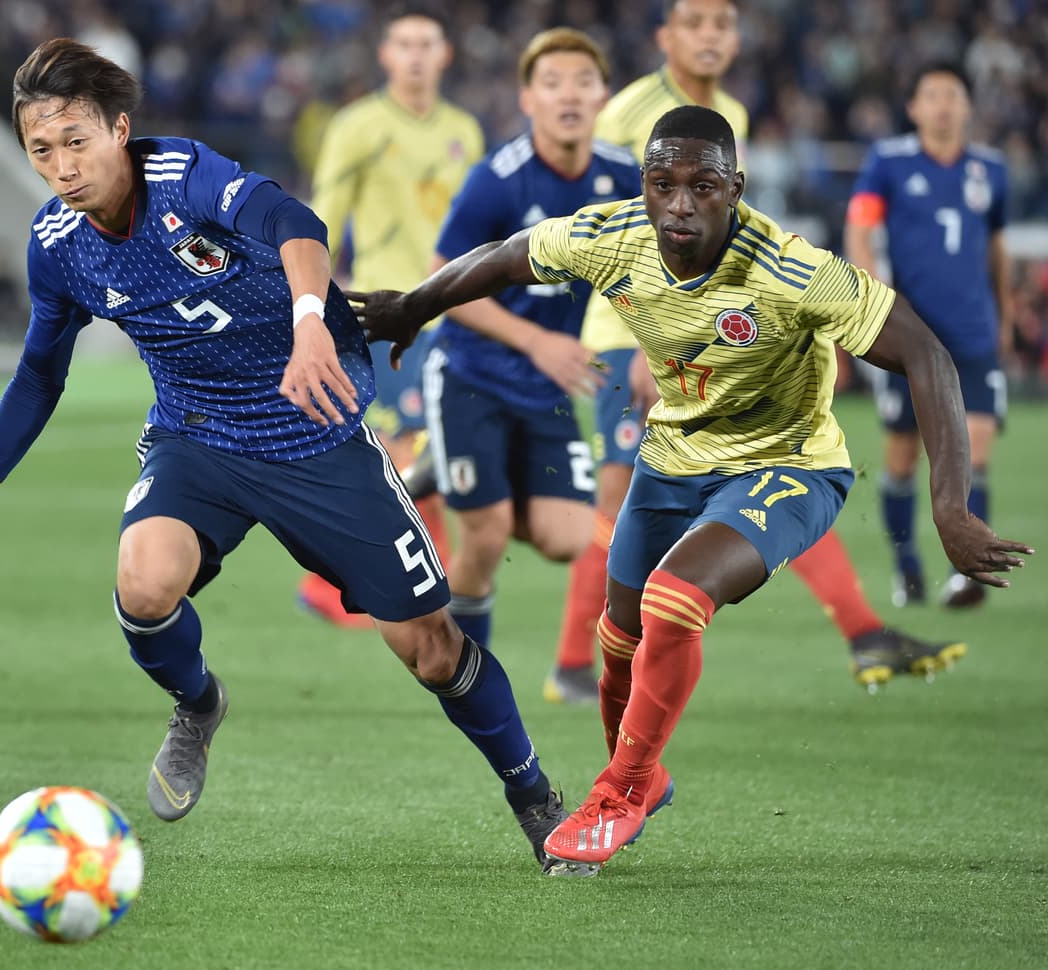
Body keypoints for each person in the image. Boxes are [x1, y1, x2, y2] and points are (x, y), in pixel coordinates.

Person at [0, 38, 576, 871]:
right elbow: (38, 378)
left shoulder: (183, 174)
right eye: (42, 149)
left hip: (314, 429)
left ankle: (533, 793)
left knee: (430, 649)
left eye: (77, 141)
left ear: (119, 129)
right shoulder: (58, 244)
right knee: (143, 583)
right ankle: (198, 703)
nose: (63, 166)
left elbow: (296, 223)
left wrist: (311, 324)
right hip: (198, 438)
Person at [351, 105, 1031, 872]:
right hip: (673, 456)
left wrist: (950, 504)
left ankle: (622, 789)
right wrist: (413, 305)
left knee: (675, 601)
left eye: (702, 186)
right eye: (661, 182)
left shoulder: (790, 270)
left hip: (788, 463)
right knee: (619, 641)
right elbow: (508, 256)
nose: (679, 203)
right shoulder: (614, 238)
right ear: (643, 183)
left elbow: (926, 354)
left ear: (734, 188)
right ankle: (642, 775)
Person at [549, 0, 963, 702]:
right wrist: (650, 351)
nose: (710, 36)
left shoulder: (729, 116)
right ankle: (571, 664)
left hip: (705, 341)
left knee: (767, 472)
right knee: (625, 500)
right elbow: (618, 233)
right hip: (634, 340)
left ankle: (863, 633)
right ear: (665, 36)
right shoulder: (629, 113)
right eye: (695, 23)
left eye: (722, 24)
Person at [421, 28, 639, 655]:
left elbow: (653, 271)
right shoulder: (497, 179)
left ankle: (457, 468)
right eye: (552, 83)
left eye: (582, 82)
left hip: (544, 388)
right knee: (484, 538)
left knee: (570, 537)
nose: (568, 95)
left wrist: (653, 346)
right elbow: (441, 285)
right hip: (472, 375)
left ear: (604, 96)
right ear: (528, 99)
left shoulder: (625, 179)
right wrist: (537, 341)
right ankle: (464, 672)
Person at [300, 4, 484, 627]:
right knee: (403, 448)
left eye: (425, 43)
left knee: (435, 450)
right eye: (402, 43)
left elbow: (479, 229)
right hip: (382, 309)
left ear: (444, 54)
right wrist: (323, 298)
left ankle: (376, 582)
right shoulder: (357, 125)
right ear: (385, 55)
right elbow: (320, 216)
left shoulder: (465, 130)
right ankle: (379, 586)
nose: (414, 54)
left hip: (451, 312)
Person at [844, 62, 1012, 610]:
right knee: (901, 458)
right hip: (909, 338)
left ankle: (967, 574)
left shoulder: (991, 169)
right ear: (914, 107)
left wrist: (1005, 314)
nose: (943, 105)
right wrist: (872, 299)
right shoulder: (888, 162)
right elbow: (860, 230)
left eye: (953, 95)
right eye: (932, 94)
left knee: (975, 451)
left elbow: (997, 250)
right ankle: (907, 567)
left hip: (974, 334)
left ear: (967, 107)